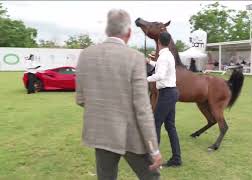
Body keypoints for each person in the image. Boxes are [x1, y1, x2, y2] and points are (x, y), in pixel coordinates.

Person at [76, 9, 162, 180]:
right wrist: (154, 148)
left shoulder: (86, 55)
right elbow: (143, 108)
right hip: (130, 135)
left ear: (107, 30)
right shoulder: (135, 57)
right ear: (128, 33)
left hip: (101, 132)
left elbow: (81, 99)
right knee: (152, 177)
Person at [146, 32, 182, 167]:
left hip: (167, 93)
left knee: (156, 123)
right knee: (170, 126)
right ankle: (176, 159)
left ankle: (154, 159)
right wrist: (150, 62)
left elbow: (160, 75)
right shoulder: (168, 55)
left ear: (158, 42)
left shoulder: (163, 57)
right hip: (172, 92)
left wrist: (144, 79)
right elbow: (161, 67)